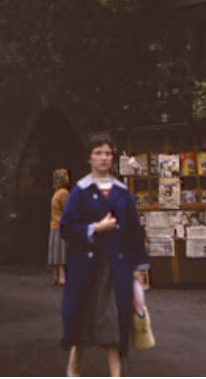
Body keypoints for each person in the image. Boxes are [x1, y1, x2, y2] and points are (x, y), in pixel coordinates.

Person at [60, 136, 149, 377]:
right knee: (83, 317)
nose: (103, 158)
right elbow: (66, 228)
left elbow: (134, 232)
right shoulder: (80, 191)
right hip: (87, 268)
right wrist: (95, 228)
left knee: (114, 320)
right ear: (89, 157)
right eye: (98, 153)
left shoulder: (122, 192)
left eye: (107, 153)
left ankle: (116, 374)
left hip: (116, 268)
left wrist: (139, 267)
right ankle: (74, 366)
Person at [48, 167, 71, 287]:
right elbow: (67, 210)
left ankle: (56, 275)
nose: (68, 178)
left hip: (54, 224)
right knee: (62, 251)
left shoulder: (56, 193)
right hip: (61, 224)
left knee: (55, 251)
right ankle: (62, 276)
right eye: (66, 176)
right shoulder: (64, 193)